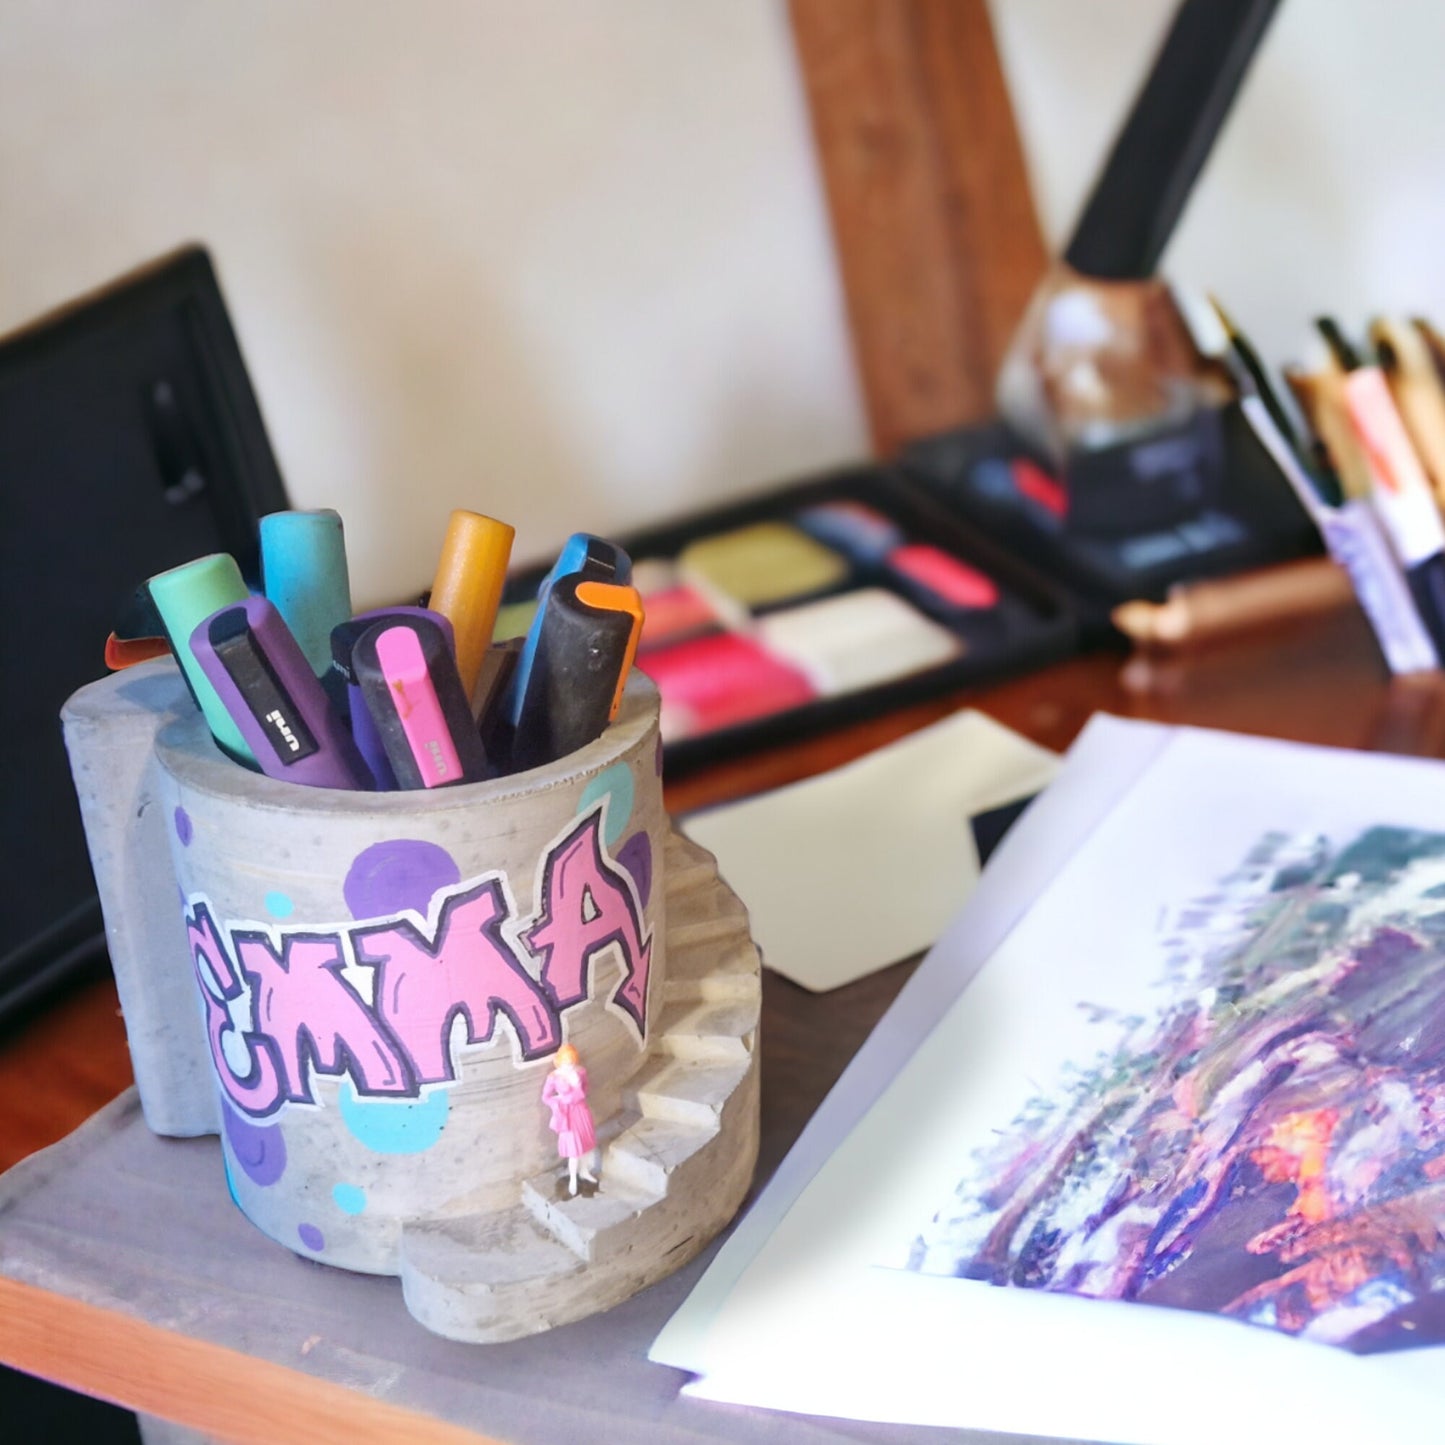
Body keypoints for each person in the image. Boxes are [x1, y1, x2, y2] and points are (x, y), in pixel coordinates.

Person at [542, 1042, 598, 1195]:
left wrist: (577, 1087)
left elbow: (585, 1089)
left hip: (580, 1110)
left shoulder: (580, 1072)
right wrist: (558, 1102)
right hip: (566, 1114)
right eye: (566, 1063)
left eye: (572, 1063)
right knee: (574, 1149)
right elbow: (546, 1097)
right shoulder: (554, 1077)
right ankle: (573, 1176)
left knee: (587, 1143)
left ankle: (584, 1171)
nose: (569, 1066)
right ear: (560, 1062)